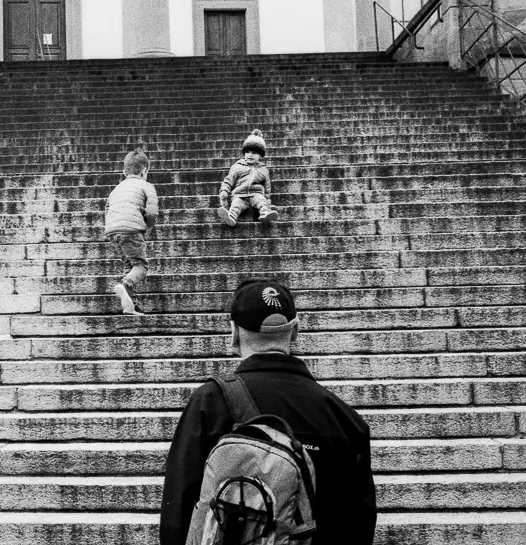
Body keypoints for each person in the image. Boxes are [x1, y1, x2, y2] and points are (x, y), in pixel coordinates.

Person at [159, 278, 377, 545]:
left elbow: (177, 512)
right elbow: (359, 526)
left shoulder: (210, 403)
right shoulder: (345, 419)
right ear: (295, 331)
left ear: (234, 333)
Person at [104, 150, 159, 315]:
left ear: (124, 172)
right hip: (132, 229)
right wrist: (147, 226)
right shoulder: (147, 186)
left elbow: (107, 209)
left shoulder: (116, 188)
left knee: (129, 265)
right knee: (141, 265)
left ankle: (131, 305)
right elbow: (152, 213)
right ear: (144, 171)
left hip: (113, 229)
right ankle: (127, 285)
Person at [216, 129, 278, 227]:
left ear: (260, 155)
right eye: (247, 152)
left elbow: (267, 188)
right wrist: (224, 190)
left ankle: (265, 214)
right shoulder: (237, 167)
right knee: (236, 205)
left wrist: (268, 201)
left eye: (254, 152)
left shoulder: (263, 169)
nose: (250, 155)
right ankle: (231, 217)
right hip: (239, 195)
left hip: (256, 194)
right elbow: (228, 180)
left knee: (261, 201)